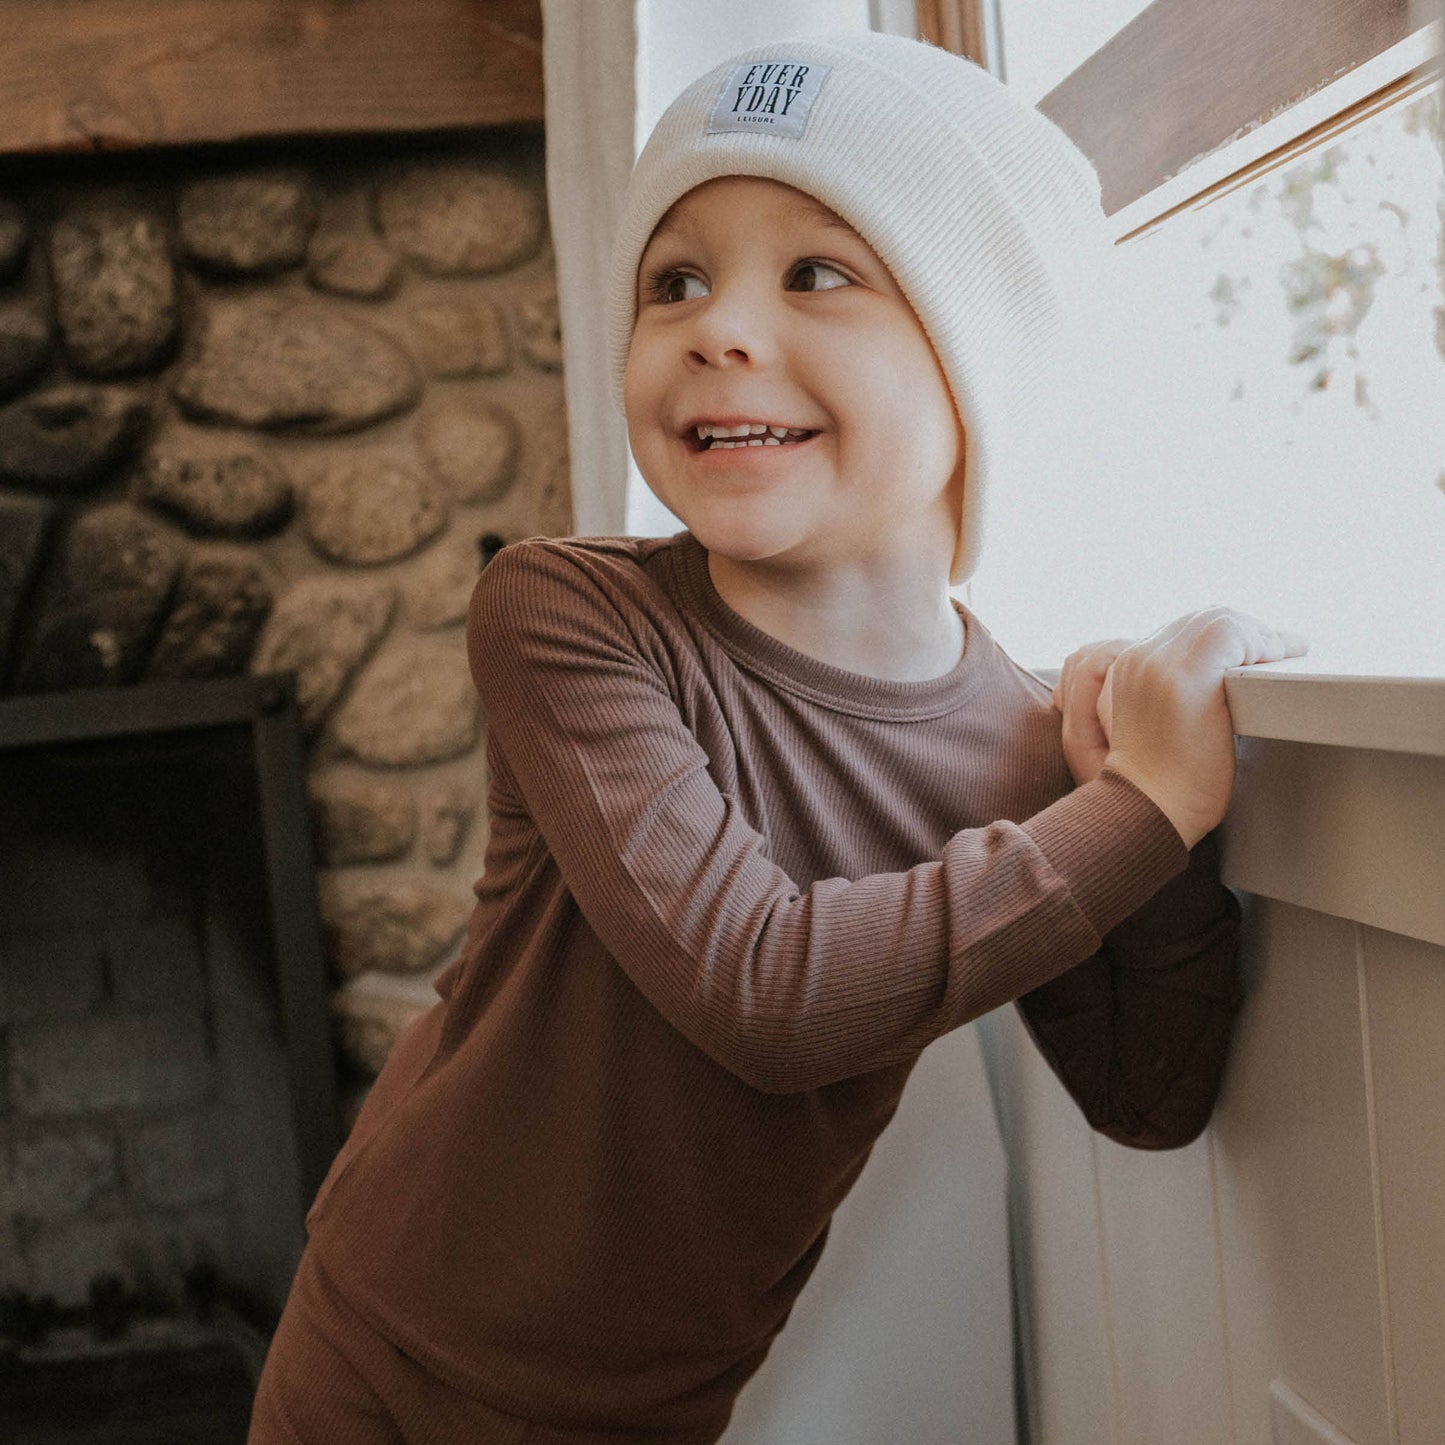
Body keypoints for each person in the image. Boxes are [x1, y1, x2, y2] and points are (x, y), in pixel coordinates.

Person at [247, 29, 1307, 1445]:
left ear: (976, 359)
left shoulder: (1019, 748)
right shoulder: (569, 612)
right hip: (388, 1346)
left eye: (816, 271)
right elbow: (766, 994)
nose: (716, 325)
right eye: (674, 280)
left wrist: (1152, 801)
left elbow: (1151, 1094)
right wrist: (1142, 811)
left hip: (645, 1409)